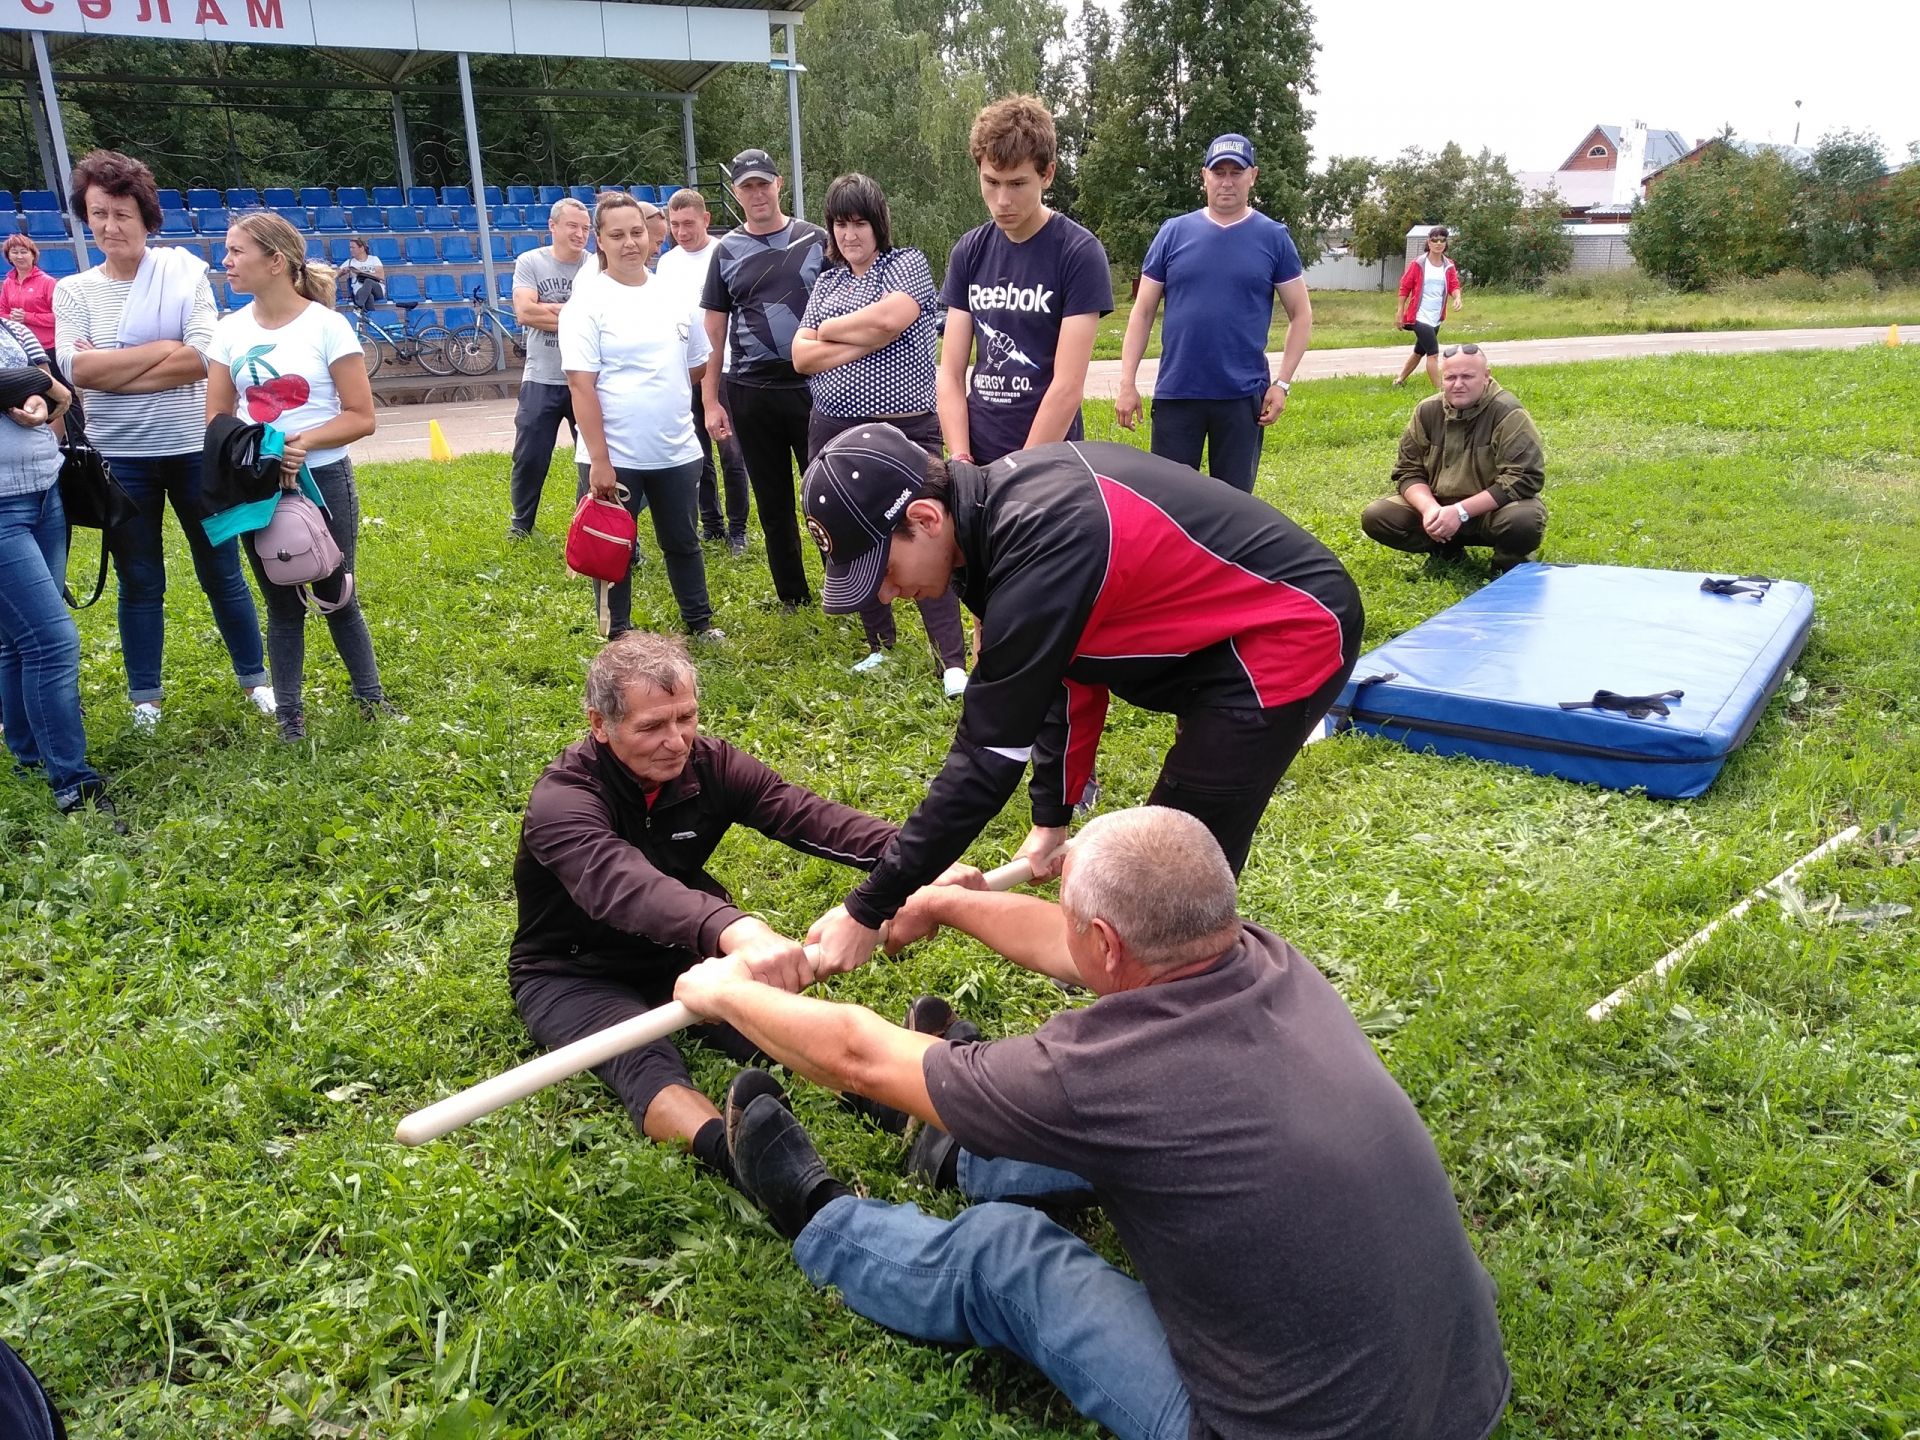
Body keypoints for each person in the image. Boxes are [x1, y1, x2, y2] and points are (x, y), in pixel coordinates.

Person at [674, 807, 1512, 1440]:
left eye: (1078, 919)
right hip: (1461, 1393)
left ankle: (825, 1221)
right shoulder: (1268, 962)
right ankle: (958, 1150)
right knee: (1146, 1152)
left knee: (1007, 1256)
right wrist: (944, 903)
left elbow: (861, 1054)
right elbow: (1075, 943)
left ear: (1107, 941)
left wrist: (728, 995)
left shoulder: (1110, 1076)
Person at [800, 423, 1363, 974]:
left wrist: (869, 908)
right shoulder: (985, 531)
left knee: (1165, 887)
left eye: (886, 570)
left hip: (1289, 631)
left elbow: (984, 760)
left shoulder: (1042, 540)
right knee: (1152, 890)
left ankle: (1195, 1017)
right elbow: (1067, 672)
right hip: (1224, 637)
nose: (887, 593)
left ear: (925, 518)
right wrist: (1052, 817)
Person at [508, 630, 902, 1188]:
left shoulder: (711, 764)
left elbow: (807, 815)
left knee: (769, 1023)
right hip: (570, 971)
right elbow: (622, 885)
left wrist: (914, 860)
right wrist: (732, 926)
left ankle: (895, 1103)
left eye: (686, 718)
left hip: (677, 951)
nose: (677, 741)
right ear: (600, 725)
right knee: (641, 1059)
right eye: (652, 727)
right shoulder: (562, 800)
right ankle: (748, 1165)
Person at [53, 149, 274, 731]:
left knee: (222, 568)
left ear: (146, 217)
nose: (109, 226)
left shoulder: (183, 274)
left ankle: (256, 680)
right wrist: (160, 352)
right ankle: (145, 698)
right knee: (140, 578)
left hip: (192, 449)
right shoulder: (72, 291)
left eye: (122, 213)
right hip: (120, 456)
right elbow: (77, 371)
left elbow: (203, 357)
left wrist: (115, 365)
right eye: (98, 213)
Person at [207, 212, 396, 743]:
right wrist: (261, 457)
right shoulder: (229, 331)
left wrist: (302, 444)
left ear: (276, 261)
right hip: (260, 491)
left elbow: (362, 415)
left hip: (324, 481)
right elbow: (218, 420)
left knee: (337, 591)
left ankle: (371, 701)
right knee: (280, 602)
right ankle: (290, 719)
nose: (226, 262)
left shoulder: (327, 326)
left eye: (236, 251)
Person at [794, 174, 968, 697]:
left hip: (904, 430)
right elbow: (801, 357)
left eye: (859, 222)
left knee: (925, 533)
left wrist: (828, 331)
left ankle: (951, 658)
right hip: (834, 428)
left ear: (878, 224)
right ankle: (879, 643)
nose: (850, 234)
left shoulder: (905, 264)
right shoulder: (826, 282)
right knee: (850, 537)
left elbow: (895, 318)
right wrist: (862, 338)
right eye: (840, 224)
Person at [560, 192, 723, 644]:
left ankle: (700, 622)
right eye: (617, 235)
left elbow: (696, 364)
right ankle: (618, 633)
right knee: (612, 547)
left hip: (676, 451)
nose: (630, 243)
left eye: (637, 232)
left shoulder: (674, 295)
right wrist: (600, 460)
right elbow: (581, 386)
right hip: (615, 455)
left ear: (652, 235)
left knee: (683, 543)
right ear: (600, 241)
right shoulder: (587, 303)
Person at [1115, 133, 1312, 493]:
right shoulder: (1172, 233)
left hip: (1241, 397)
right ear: (1204, 175)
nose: (1226, 181)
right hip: (1178, 392)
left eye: (1235, 172)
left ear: (1253, 175)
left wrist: (1282, 383)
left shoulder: (1274, 237)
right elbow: (1142, 312)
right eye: (1218, 171)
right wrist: (1128, 383)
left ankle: (1229, 554)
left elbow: (1301, 313)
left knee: (1234, 506)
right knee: (1170, 501)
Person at [938, 96, 1112, 468]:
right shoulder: (969, 251)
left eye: (1018, 183)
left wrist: (1019, 470)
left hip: (1048, 461)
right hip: (977, 453)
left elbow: (1066, 388)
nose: (1003, 200)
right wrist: (961, 457)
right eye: (991, 182)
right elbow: (951, 373)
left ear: (1047, 174)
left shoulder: (1078, 252)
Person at [700, 148, 827, 611]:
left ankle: (844, 585)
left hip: (815, 388)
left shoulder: (816, 239)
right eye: (746, 186)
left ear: (779, 185)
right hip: (751, 392)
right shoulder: (726, 251)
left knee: (827, 491)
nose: (756, 193)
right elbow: (713, 330)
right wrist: (710, 399)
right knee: (773, 503)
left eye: (763, 183)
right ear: (736, 193)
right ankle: (793, 595)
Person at [0, 313, 112, 821]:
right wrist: (40, 386)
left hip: (45, 494)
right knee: (52, 641)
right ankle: (73, 784)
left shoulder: (12, 329)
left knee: (17, 641)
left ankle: (28, 758)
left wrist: (45, 392)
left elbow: (53, 387)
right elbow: (37, 382)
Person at [1361, 343, 1546, 577]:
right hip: (1439, 506)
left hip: (1492, 511)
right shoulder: (1427, 410)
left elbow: (1523, 479)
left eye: (1467, 376)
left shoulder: (1508, 412)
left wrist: (1460, 511)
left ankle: (1507, 564)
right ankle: (1446, 550)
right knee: (1378, 515)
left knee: (1524, 520)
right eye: (1450, 377)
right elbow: (1408, 470)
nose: (1458, 385)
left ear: (1486, 376)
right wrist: (1430, 511)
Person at [656, 188, 750, 555]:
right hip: (684, 371)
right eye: (674, 225)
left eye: (688, 223)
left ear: (706, 219)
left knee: (731, 452)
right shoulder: (667, 264)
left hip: (725, 367)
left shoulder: (724, 254)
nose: (681, 231)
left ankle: (738, 529)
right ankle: (711, 523)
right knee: (698, 454)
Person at [507, 197, 592, 539]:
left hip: (586, 377)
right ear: (553, 226)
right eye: (572, 226)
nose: (580, 234)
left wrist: (553, 312)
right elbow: (526, 313)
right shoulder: (530, 262)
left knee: (591, 459)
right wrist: (578, 317)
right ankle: (521, 525)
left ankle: (586, 525)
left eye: (585, 228)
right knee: (529, 458)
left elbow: (599, 320)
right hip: (541, 377)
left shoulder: (596, 266)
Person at [1393, 226, 1463, 390]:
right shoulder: (1418, 263)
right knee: (1433, 353)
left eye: (1442, 240)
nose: (1438, 243)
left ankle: (1399, 380)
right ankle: (1441, 391)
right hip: (1419, 316)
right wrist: (1400, 311)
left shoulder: (1448, 265)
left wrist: (1457, 297)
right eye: (1434, 240)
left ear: (1446, 243)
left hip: (1436, 316)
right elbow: (1405, 287)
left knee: (1419, 351)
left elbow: (1454, 285)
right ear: (1428, 242)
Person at [2, 233, 57, 349]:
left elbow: (59, 317)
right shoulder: (8, 283)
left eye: (24, 252)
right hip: (20, 346)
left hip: (48, 346)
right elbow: (1, 313)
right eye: (14, 252)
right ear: (9, 257)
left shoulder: (48, 282)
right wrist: (12, 318)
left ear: (33, 255)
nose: (19, 256)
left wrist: (27, 317)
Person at [337, 236, 385, 312]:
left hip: (377, 290)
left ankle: (358, 306)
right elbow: (335, 275)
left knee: (368, 281)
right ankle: (371, 317)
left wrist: (361, 272)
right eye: (350, 248)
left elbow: (381, 276)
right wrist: (342, 271)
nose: (350, 250)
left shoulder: (374, 259)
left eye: (353, 248)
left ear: (362, 248)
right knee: (369, 296)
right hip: (359, 292)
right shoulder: (350, 262)